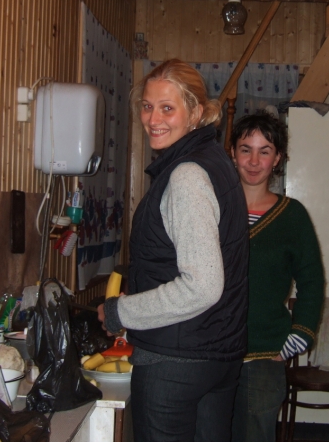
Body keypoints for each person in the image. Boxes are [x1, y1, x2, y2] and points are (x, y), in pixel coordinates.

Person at [97, 58, 249, 442]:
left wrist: (121, 312)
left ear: (195, 113)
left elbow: (202, 286)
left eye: (167, 108)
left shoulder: (186, 176)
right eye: (147, 106)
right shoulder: (215, 161)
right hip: (218, 355)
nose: (153, 119)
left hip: (175, 363)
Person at [229, 111, 325, 442]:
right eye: (246, 149)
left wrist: (298, 337)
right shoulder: (212, 210)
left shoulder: (292, 216)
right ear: (233, 153)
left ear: (277, 158)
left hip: (263, 358)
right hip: (210, 355)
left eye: (265, 151)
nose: (254, 161)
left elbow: (312, 281)